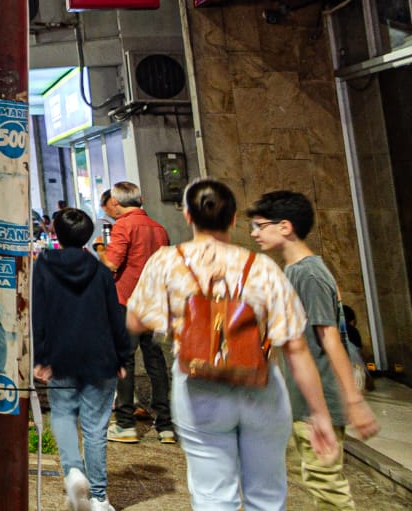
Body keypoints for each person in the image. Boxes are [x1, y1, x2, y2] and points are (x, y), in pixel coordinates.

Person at [126, 179, 340, 511]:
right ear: (234, 218)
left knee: (213, 497)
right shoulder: (263, 268)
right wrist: (320, 414)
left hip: (199, 390)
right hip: (261, 387)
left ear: (187, 216)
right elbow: (295, 347)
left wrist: (177, 317)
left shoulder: (166, 262)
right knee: (267, 496)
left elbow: (136, 321)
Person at [247, 189, 380, 509]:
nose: (254, 233)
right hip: (301, 400)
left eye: (259, 225)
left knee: (327, 487)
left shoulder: (308, 273)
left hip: (319, 401)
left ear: (285, 227)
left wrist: (354, 400)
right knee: (308, 478)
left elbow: (331, 338)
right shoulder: (294, 271)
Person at [34, 209, 132, 511]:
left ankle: (74, 471)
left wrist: (41, 356)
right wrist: (122, 355)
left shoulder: (43, 268)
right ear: (89, 236)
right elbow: (114, 315)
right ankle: (100, 497)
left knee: (63, 414)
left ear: (55, 233)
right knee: (95, 427)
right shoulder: (101, 271)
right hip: (100, 356)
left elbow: (38, 314)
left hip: (61, 356)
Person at [103, 181, 175, 444]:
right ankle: (165, 425)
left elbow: (112, 262)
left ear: (116, 202)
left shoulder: (124, 225)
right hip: (154, 302)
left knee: (124, 361)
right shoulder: (159, 229)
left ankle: (125, 424)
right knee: (155, 361)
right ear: (141, 199)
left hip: (128, 300)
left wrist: (101, 252)